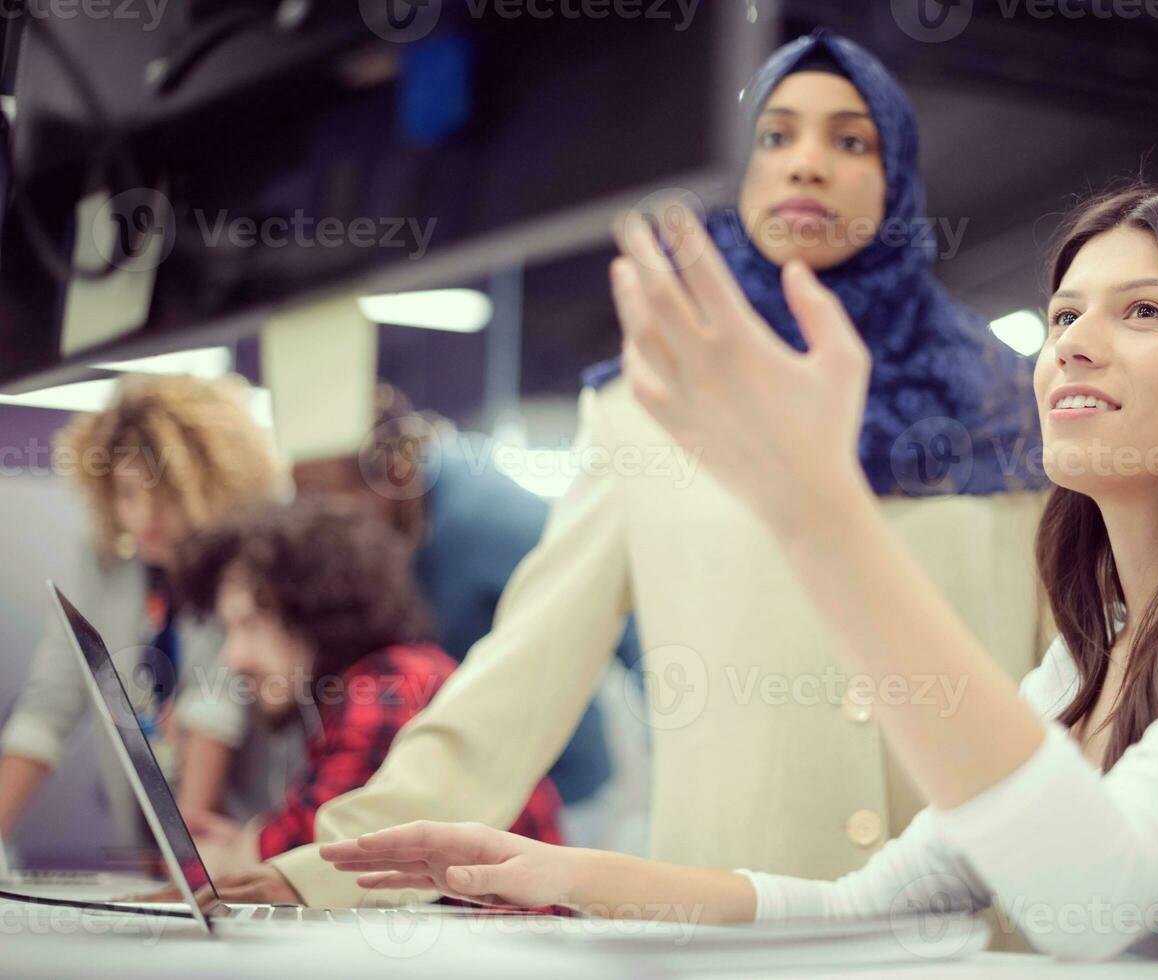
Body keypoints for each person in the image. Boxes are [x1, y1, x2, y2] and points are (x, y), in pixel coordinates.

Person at [323, 186, 1158, 973]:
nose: (1072, 346)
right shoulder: (1090, 651)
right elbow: (855, 907)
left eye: (1140, 311)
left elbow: (1095, 899)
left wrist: (819, 508)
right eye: (1062, 317)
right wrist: (557, 872)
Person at [213, 29, 1052, 908]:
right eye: (775, 135)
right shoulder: (646, 408)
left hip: (976, 932)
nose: (808, 163)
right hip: (728, 927)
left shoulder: (1005, 406)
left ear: (899, 176)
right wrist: (315, 872)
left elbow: (1072, 686)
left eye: (851, 139)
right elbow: (521, 677)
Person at [290, 385, 641, 841]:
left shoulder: (488, 517)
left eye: (323, 498)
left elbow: (624, 618)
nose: (313, 521)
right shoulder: (388, 528)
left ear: (392, 472)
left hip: (558, 794)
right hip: (465, 782)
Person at [169, 501, 563, 876]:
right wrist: (245, 846)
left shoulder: (385, 694)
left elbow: (307, 859)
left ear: (316, 611)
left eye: (251, 624)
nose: (234, 657)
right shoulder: (390, 676)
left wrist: (222, 860)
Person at [0, 374, 283, 850]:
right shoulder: (110, 561)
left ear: (214, 484)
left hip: (230, 840)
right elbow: (51, 700)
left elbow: (215, 709)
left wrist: (188, 856)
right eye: (129, 494)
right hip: (151, 838)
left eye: (166, 495)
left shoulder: (244, 564)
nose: (146, 516)